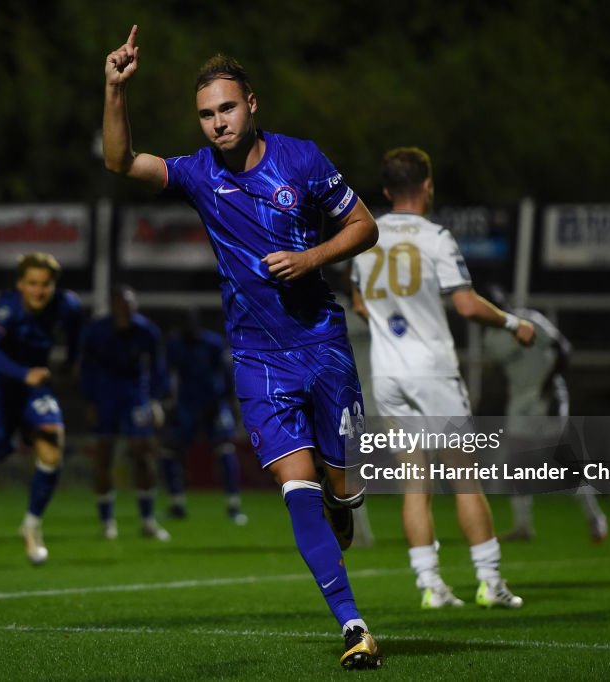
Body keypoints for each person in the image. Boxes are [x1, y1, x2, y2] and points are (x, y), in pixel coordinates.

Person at [103, 25, 382, 669]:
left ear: (251, 103)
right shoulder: (199, 176)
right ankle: (353, 625)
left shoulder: (302, 159)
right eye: (205, 115)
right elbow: (121, 162)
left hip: (323, 344)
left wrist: (312, 256)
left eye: (226, 108)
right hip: (257, 357)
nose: (216, 124)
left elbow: (366, 224)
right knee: (297, 486)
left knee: (341, 486)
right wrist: (115, 90)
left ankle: (346, 504)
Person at [351, 146, 533, 611]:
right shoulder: (436, 237)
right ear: (427, 186)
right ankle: (490, 583)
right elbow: (467, 305)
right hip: (431, 371)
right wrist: (514, 323)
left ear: (388, 191)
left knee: (416, 483)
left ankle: (431, 586)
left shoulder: (363, 233)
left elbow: (358, 301)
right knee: (465, 479)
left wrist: (391, 319)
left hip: (388, 373)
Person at [0, 252, 84, 567]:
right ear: (20, 285)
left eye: (45, 284)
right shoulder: (8, 308)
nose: (38, 291)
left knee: (53, 447)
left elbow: (76, 335)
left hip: (35, 389)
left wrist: (69, 362)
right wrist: (23, 373)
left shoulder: (68, 305)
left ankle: (31, 525)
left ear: (54, 285)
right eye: (32, 284)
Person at [480, 284, 608, 544]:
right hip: (520, 402)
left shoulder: (530, 320)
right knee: (515, 462)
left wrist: (550, 383)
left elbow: (563, 349)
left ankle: (595, 517)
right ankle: (523, 526)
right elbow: (507, 373)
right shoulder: (490, 339)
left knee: (563, 461)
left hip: (546, 396)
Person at [81, 285, 171, 542]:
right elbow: (86, 366)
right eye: (121, 305)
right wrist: (90, 400)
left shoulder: (146, 331)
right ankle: (107, 522)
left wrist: (155, 400)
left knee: (142, 454)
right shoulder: (96, 331)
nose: (126, 310)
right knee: (104, 455)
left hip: (135, 394)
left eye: (129, 306)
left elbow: (158, 367)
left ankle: (147, 520)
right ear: (112, 306)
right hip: (105, 395)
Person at [162, 308, 247, 525]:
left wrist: (229, 404)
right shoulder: (175, 345)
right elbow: (166, 375)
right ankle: (177, 503)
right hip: (186, 406)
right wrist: (168, 403)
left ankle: (233, 505)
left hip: (213, 405)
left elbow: (227, 375)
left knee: (225, 451)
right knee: (172, 452)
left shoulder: (213, 343)